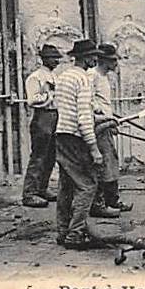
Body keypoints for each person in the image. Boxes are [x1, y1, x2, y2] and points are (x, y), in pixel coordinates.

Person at [53, 39, 104, 249]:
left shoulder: (64, 76)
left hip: (61, 134)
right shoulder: (83, 79)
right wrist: (94, 148)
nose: (96, 59)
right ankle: (75, 234)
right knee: (87, 186)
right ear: (85, 58)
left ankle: (62, 231)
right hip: (76, 138)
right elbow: (83, 117)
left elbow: (66, 107)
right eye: (93, 56)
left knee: (66, 186)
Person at [89, 43, 132, 216]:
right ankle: (99, 204)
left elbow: (103, 102)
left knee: (111, 160)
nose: (116, 64)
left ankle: (112, 200)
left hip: (105, 124)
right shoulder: (92, 76)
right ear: (104, 60)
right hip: (97, 126)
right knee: (102, 163)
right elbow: (89, 101)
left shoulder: (104, 77)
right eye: (113, 60)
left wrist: (112, 117)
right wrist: (102, 115)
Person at [21, 44, 63, 208]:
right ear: (44, 59)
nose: (57, 61)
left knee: (51, 155)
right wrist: (49, 94)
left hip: (55, 116)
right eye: (54, 58)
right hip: (43, 118)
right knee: (39, 156)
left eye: (58, 58)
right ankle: (29, 194)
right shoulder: (35, 77)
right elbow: (32, 100)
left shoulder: (54, 76)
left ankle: (42, 189)